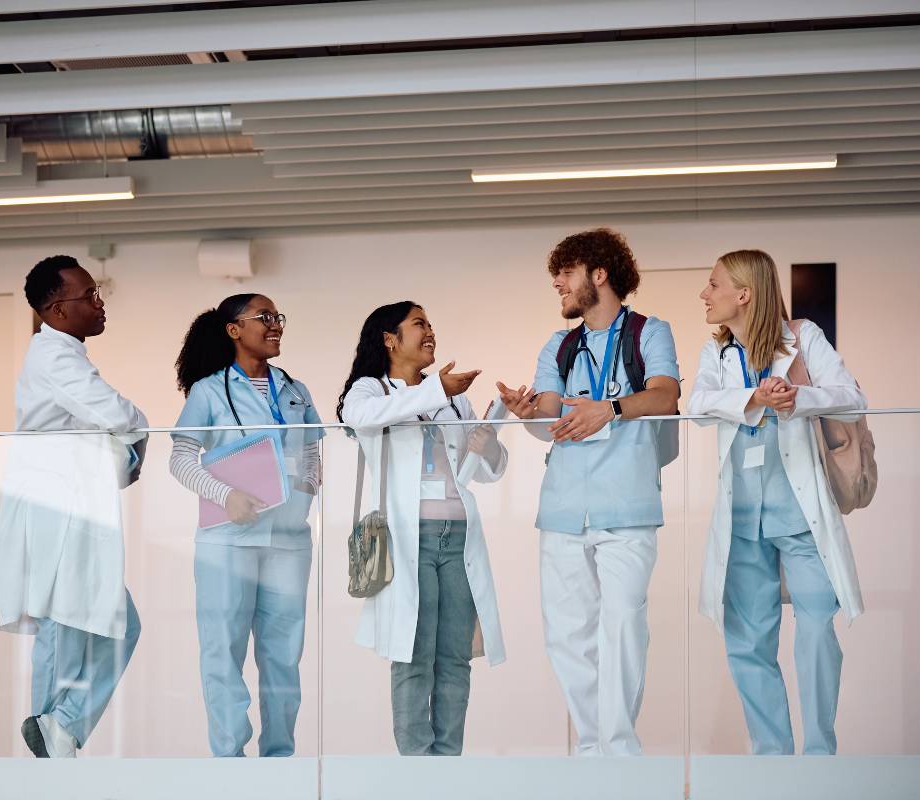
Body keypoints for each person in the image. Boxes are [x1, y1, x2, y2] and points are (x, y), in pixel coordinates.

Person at [497, 229, 680, 756]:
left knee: (622, 631)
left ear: (600, 274)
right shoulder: (558, 345)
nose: (557, 283)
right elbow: (550, 419)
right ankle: (592, 749)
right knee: (568, 638)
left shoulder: (649, 332)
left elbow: (665, 396)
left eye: (566, 273)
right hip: (562, 510)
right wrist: (529, 414)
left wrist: (612, 408)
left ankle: (619, 752)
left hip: (627, 510)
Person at [689, 249, 865, 755]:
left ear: (744, 294)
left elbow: (851, 397)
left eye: (714, 284)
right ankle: (773, 757)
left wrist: (795, 397)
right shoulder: (716, 352)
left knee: (817, 628)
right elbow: (697, 405)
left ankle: (819, 753)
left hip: (800, 515)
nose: (705, 294)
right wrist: (753, 399)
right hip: (743, 518)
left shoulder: (803, 338)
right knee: (748, 642)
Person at [0, 254, 147, 759]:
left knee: (118, 625)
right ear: (57, 310)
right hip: (54, 513)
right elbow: (119, 414)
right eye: (90, 296)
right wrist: (135, 431)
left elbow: (110, 425)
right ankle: (47, 741)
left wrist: (125, 442)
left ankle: (59, 727)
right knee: (63, 628)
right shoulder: (53, 358)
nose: (100, 304)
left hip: (74, 508)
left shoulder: (65, 355)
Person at [337, 301, 508, 756]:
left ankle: (446, 763)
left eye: (431, 323)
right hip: (408, 538)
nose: (430, 331)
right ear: (390, 339)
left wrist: (489, 443)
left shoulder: (454, 399)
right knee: (412, 656)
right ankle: (416, 767)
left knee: (455, 656)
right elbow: (361, 417)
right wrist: (436, 390)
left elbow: (484, 472)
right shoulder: (370, 389)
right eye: (419, 324)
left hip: (459, 536)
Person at [170, 293, 323, 757]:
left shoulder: (295, 389)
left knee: (284, 655)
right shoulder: (208, 391)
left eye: (278, 316)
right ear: (234, 330)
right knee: (223, 650)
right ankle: (230, 762)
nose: (275, 324)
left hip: (288, 538)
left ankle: (279, 758)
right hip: (228, 539)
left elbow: (312, 447)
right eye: (264, 317)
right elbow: (180, 458)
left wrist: (307, 487)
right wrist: (225, 495)